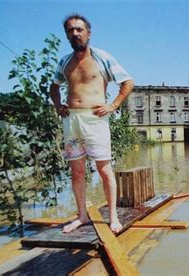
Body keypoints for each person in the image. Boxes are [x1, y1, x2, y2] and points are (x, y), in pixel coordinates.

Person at [49, 14, 134, 234]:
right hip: (72, 120)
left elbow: (128, 81)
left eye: (79, 29)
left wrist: (113, 105)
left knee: (104, 169)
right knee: (76, 170)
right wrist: (58, 105)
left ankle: (114, 218)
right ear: (67, 34)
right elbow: (54, 87)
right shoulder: (64, 61)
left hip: (95, 120)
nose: (75, 33)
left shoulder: (101, 57)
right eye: (70, 30)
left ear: (88, 32)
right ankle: (82, 216)